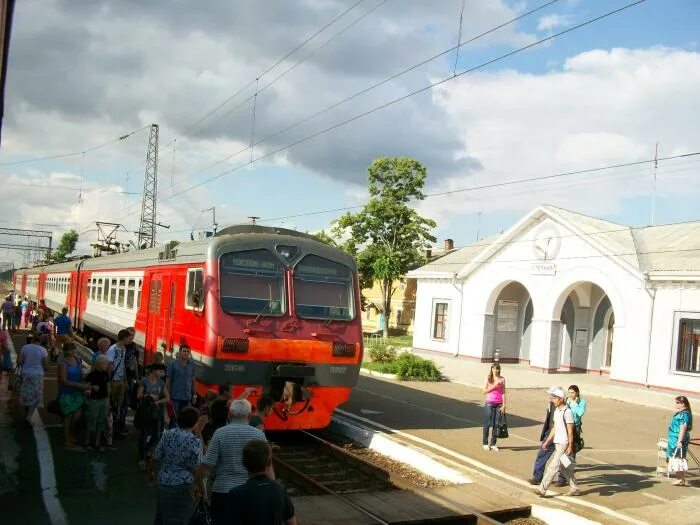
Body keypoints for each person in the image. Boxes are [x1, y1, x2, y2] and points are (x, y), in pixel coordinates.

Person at [194, 399, 267, 525]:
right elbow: (266, 466)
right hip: (250, 491)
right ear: (249, 415)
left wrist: (197, 484)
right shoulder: (259, 435)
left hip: (223, 491)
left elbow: (207, 465)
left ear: (230, 414)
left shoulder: (220, 433)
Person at [149, 407, 203, 525]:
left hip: (163, 482)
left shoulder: (167, 434)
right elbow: (197, 468)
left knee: (161, 516)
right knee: (180, 518)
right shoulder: (195, 441)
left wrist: (151, 473)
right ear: (194, 423)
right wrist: (200, 488)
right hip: (183, 485)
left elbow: (155, 457)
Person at [227, 439, 297, 525]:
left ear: (243, 463)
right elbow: (291, 522)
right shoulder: (280, 489)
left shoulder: (236, 494)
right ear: (269, 462)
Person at [537, 387, 580, 497]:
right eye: (552, 398)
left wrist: (570, 446)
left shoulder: (567, 412)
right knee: (564, 468)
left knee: (553, 466)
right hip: (557, 442)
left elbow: (570, 431)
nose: (552, 400)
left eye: (554, 398)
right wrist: (547, 442)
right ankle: (574, 487)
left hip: (564, 444)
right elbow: (554, 429)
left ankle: (542, 488)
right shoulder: (557, 411)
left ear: (561, 399)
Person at [137, 363, 170, 471]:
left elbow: (167, 398)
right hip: (145, 413)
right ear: (154, 371)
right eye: (160, 371)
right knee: (143, 435)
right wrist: (148, 396)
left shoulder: (161, 383)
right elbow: (139, 395)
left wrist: (157, 401)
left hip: (157, 413)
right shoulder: (144, 381)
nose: (162, 373)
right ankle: (142, 459)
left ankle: (146, 450)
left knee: (156, 435)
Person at [58, 341, 91, 449]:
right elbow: (63, 381)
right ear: (65, 351)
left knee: (77, 414)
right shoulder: (63, 363)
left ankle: (70, 434)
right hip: (66, 392)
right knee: (69, 415)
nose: (71, 352)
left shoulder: (77, 360)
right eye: (69, 350)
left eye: (73, 349)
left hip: (77, 391)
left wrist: (85, 383)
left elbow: (80, 374)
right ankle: (67, 439)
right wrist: (80, 386)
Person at [529, 387, 558, 485]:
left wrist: (548, 439)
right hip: (550, 432)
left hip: (556, 435)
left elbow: (556, 425)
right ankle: (538, 477)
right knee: (544, 456)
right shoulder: (551, 404)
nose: (550, 397)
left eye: (552, 396)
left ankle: (538, 478)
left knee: (543, 455)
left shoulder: (560, 407)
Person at [17, 334, 48, 423]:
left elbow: (19, 361)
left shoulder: (25, 348)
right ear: (40, 341)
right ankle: (29, 415)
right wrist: (45, 369)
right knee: (36, 396)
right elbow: (46, 365)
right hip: (37, 375)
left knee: (27, 393)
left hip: (26, 373)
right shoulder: (43, 350)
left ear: (32, 340)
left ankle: (27, 412)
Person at [106, 329, 130, 436]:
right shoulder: (112, 349)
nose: (129, 340)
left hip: (120, 381)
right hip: (114, 380)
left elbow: (122, 365)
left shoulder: (124, 348)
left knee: (118, 405)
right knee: (111, 404)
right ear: (124, 338)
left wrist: (125, 380)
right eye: (128, 338)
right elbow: (109, 366)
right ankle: (108, 429)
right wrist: (108, 381)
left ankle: (115, 428)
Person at [84, 355, 111, 451]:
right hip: (95, 400)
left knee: (101, 421)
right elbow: (85, 385)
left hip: (103, 400)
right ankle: (87, 442)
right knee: (92, 420)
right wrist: (92, 387)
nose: (107, 365)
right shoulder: (93, 375)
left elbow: (108, 387)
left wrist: (108, 399)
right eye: (106, 364)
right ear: (100, 364)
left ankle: (97, 442)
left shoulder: (106, 374)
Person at [667, 396, 693, 486]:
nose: (676, 404)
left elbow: (683, 427)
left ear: (683, 404)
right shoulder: (682, 413)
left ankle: (680, 478)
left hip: (678, 438)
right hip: (675, 438)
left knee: (678, 457)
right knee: (677, 457)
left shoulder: (684, 414)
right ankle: (680, 478)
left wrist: (680, 441)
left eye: (677, 403)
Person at [165, 346, 197, 416]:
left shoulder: (192, 365)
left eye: (188, 352)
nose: (186, 353)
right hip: (175, 397)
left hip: (187, 397)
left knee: (185, 418)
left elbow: (194, 381)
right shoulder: (172, 364)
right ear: (180, 352)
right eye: (184, 351)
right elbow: (168, 380)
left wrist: (194, 395)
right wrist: (168, 395)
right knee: (174, 418)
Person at [482, 362, 506, 451]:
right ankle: (485, 443)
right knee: (487, 423)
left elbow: (503, 392)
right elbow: (484, 391)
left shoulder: (502, 379)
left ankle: (493, 443)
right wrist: (494, 386)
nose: (495, 371)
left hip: (499, 403)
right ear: (491, 369)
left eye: (497, 369)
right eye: (494, 369)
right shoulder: (489, 379)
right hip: (489, 403)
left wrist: (504, 405)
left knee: (496, 424)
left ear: (499, 370)